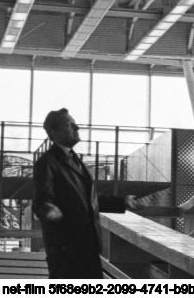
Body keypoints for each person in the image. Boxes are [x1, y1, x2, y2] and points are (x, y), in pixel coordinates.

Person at [33, 109, 138, 278]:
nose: (77, 127)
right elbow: (42, 201)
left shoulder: (75, 160)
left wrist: (122, 202)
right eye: (69, 125)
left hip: (86, 247)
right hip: (67, 250)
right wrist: (49, 210)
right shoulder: (47, 162)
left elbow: (88, 199)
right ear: (54, 132)